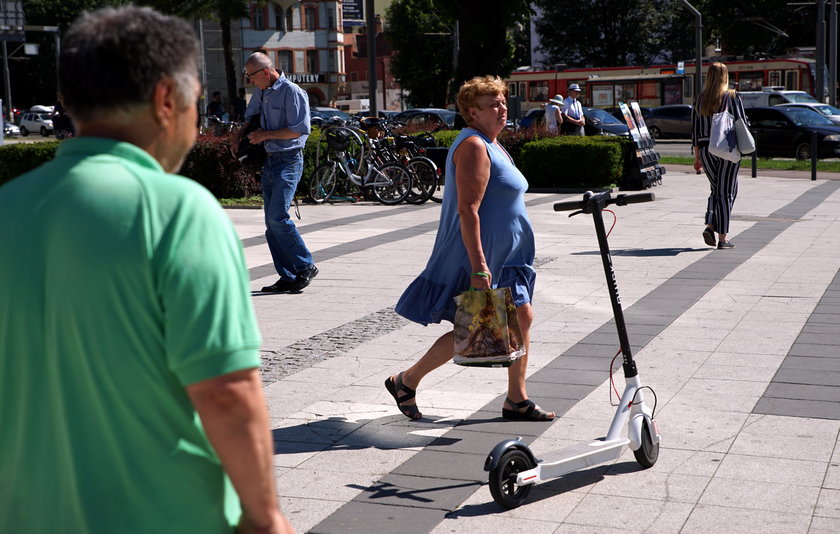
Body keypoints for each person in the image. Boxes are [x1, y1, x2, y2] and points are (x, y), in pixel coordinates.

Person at [0, 7, 294, 533]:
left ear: (70, 101)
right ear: (166, 98)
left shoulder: (9, 207)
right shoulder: (176, 210)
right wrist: (267, 518)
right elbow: (226, 392)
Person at [387, 76, 555, 422]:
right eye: (492, 103)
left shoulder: (494, 143)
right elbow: (468, 209)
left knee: (517, 318)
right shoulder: (475, 146)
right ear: (471, 112)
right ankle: (407, 380)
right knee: (480, 326)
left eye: (503, 101)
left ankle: (515, 399)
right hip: (486, 256)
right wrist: (479, 264)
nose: (502, 107)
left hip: (508, 256)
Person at [232, 52, 317, 293]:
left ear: (266, 72)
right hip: (269, 160)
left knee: (278, 217)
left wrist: (265, 135)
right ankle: (288, 275)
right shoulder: (261, 91)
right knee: (271, 222)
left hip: (289, 160)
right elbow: (251, 118)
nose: (250, 82)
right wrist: (237, 137)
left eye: (252, 77)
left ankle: (305, 266)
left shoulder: (293, 92)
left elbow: (299, 130)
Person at [691, 62, 746, 249]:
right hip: (727, 150)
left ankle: (710, 225)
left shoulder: (699, 99)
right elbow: (742, 122)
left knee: (718, 190)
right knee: (726, 193)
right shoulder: (731, 96)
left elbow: (695, 130)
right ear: (725, 76)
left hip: (706, 151)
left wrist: (697, 157)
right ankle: (722, 238)